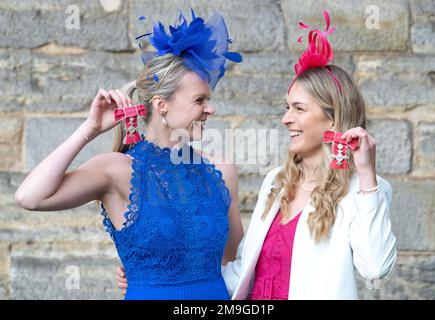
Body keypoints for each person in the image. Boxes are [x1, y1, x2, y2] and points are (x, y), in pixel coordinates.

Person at [118, 10, 397, 300]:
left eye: (299, 109)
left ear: (333, 119)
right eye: (287, 107)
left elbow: (376, 269)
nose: (286, 119)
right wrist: (160, 277)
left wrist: (367, 175)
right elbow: (243, 272)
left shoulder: (364, 191)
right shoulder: (277, 182)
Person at [15, 9, 244, 300]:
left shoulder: (222, 170)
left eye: (208, 100)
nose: (210, 109)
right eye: (200, 100)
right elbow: (30, 197)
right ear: (161, 105)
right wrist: (89, 129)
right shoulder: (116, 169)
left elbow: (237, 263)